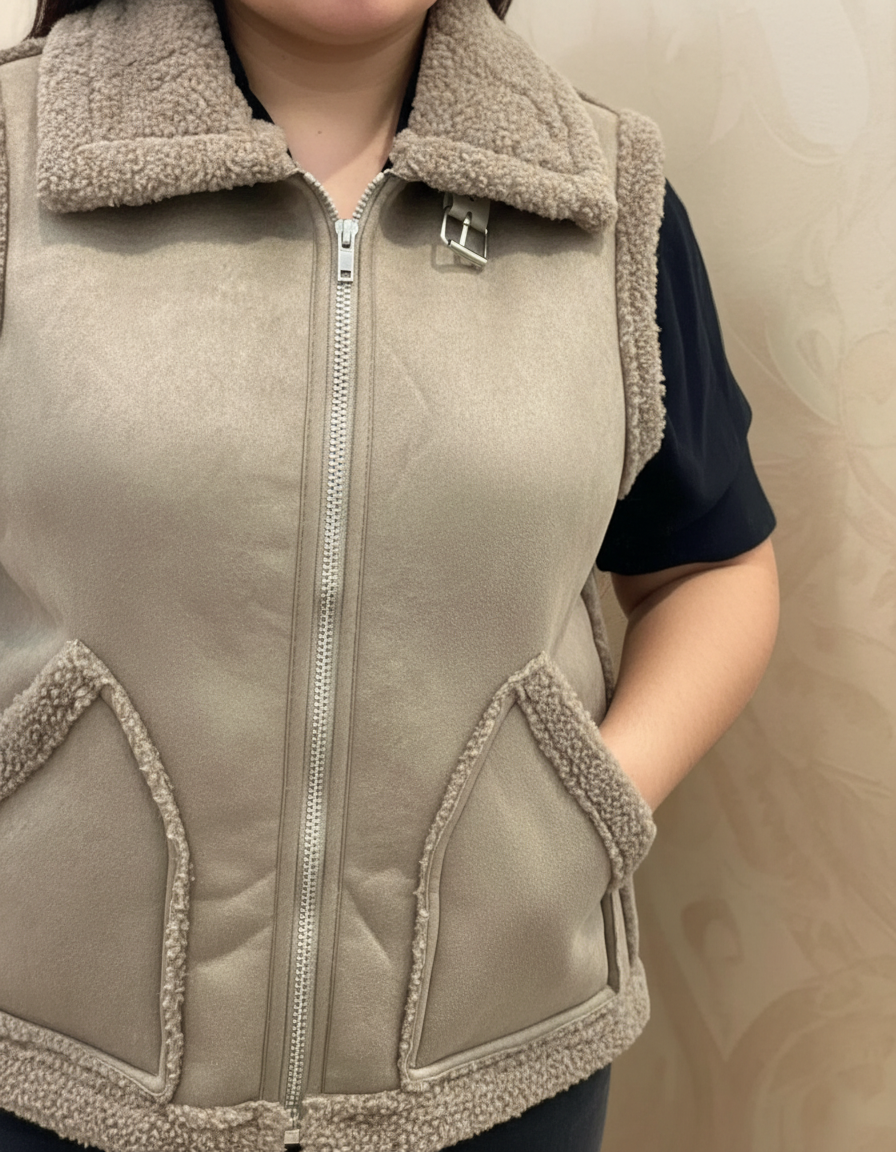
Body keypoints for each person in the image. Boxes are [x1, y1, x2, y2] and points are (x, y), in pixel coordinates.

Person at [0, 0, 779, 1149]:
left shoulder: (605, 200)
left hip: (495, 1072)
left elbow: (706, 565)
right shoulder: (16, 157)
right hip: (49, 1061)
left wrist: (584, 811)